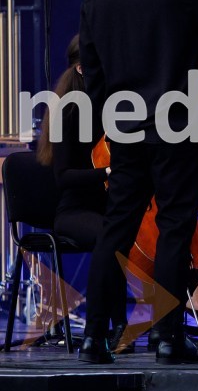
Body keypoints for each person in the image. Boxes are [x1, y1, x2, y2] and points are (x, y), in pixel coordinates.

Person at [78, 0, 198, 364]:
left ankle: (94, 337)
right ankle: (168, 338)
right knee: (173, 230)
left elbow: (94, 72)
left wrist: (113, 120)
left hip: (125, 129)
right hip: (177, 127)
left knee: (116, 230)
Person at [36, 35, 132, 352]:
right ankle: (106, 327)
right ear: (82, 67)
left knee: (125, 230)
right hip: (73, 212)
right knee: (111, 236)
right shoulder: (68, 112)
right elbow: (63, 177)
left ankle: (134, 324)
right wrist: (105, 172)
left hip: (103, 206)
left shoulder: (106, 108)